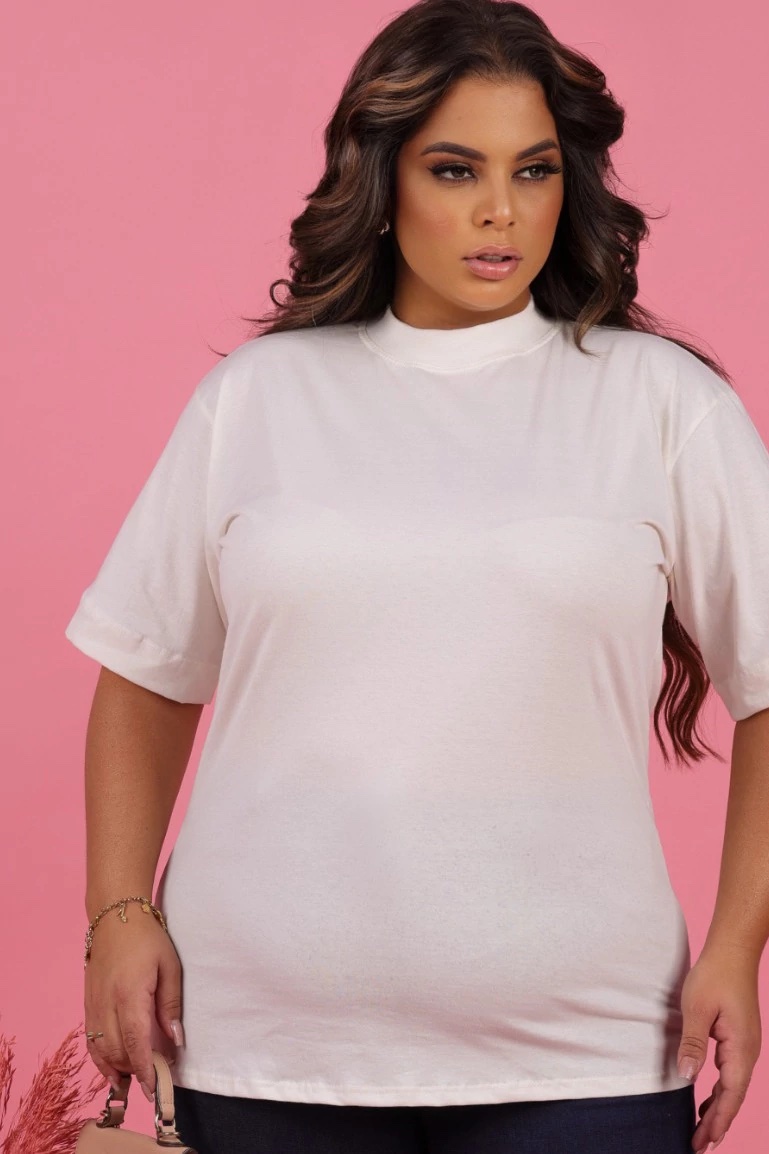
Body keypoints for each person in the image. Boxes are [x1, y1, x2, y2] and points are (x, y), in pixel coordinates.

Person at [63, 1, 768, 1152]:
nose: (501, 210)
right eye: (455, 169)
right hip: (262, 1042)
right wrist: (117, 911)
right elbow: (147, 673)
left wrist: (737, 942)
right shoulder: (257, 398)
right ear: (382, 181)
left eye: (533, 170)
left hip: (582, 1047)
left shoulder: (661, 404)